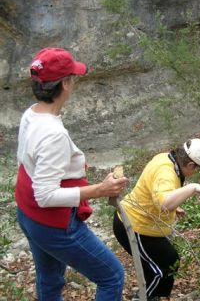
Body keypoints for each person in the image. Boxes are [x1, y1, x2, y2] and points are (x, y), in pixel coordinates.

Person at [15, 47, 128, 301]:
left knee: (50, 279)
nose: (74, 82)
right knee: (112, 276)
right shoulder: (53, 134)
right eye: (73, 77)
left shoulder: (31, 113)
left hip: (27, 213)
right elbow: (45, 195)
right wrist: (102, 189)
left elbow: (24, 161)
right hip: (52, 223)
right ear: (65, 84)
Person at [113, 138, 200, 301]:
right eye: (197, 169)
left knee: (156, 266)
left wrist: (176, 206)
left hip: (140, 223)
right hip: (134, 227)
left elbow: (156, 192)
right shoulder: (167, 172)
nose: (196, 173)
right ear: (190, 165)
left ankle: (151, 296)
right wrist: (192, 187)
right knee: (165, 265)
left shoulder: (166, 159)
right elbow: (164, 203)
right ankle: (144, 298)